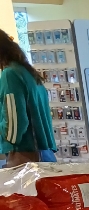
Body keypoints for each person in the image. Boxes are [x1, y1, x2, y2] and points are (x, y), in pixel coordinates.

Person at [0, 29, 57, 167]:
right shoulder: (27, 72)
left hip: (25, 156)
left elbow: (15, 125)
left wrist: (5, 135)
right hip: (44, 154)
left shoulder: (10, 74)